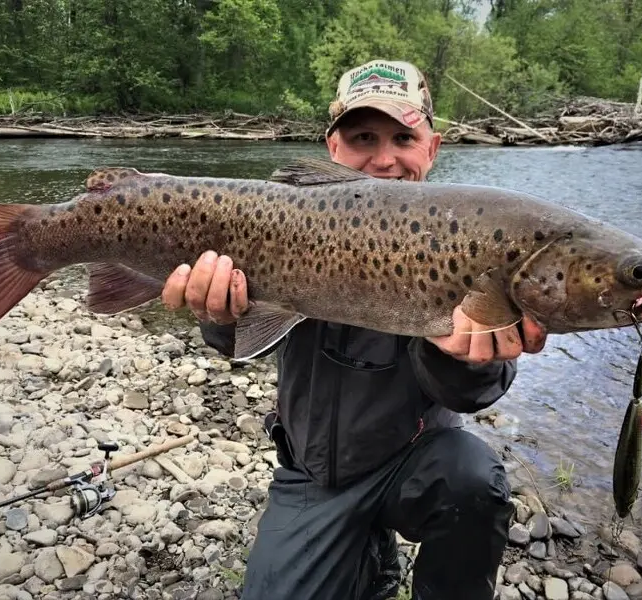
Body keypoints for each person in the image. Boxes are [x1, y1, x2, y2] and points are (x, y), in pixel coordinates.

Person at [160, 59, 548, 600]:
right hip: (312, 473)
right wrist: (218, 317)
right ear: (333, 148)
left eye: (402, 138)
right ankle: (370, 562)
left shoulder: (473, 236)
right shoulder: (290, 221)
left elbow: (473, 395)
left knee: (475, 479)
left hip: (414, 464)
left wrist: (458, 357)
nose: (384, 158)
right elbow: (240, 340)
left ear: (432, 149)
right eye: (363, 136)